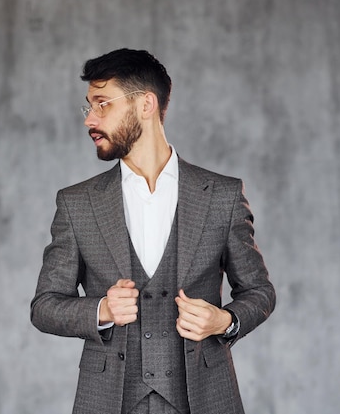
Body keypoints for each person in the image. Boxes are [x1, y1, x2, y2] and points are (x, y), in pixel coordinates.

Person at [30, 48, 276, 414]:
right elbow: (44, 306)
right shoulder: (77, 203)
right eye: (89, 107)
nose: (89, 120)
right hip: (109, 399)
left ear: (146, 104)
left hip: (205, 398)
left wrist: (225, 320)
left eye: (102, 104)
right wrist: (101, 310)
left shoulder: (222, 196)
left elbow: (259, 291)